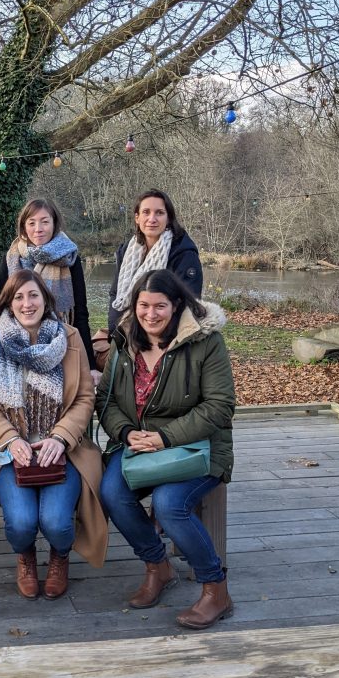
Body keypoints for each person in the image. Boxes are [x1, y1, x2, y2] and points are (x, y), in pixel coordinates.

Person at [96, 269, 235, 630]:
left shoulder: (205, 341)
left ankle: (215, 588)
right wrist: (125, 432)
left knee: (169, 505)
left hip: (195, 448)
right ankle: (158, 566)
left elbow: (220, 405)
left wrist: (166, 437)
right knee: (111, 492)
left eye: (160, 306)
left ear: (176, 305)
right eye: (144, 305)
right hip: (137, 447)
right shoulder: (124, 341)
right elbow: (105, 399)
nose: (151, 314)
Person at [0, 270, 108, 600]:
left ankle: (60, 556)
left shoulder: (70, 337)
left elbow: (86, 397)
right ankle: (26, 556)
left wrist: (60, 437)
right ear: (8, 302)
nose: (26, 303)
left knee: (58, 523)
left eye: (33, 295)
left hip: (63, 449)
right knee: (21, 524)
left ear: (45, 300)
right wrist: (10, 438)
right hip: (9, 451)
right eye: (18, 297)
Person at [0, 197, 97, 381]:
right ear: (23, 226)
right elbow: (2, 311)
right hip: (19, 347)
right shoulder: (11, 259)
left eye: (45, 222)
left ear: (54, 224)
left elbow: (80, 313)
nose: (38, 229)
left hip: (61, 344)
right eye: (32, 222)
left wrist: (90, 365)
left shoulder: (69, 258)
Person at [108, 189, 202, 335]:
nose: (152, 219)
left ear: (169, 218)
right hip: (125, 331)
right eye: (146, 212)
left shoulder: (184, 254)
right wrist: (115, 332)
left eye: (159, 213)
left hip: (166, 335)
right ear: (137, 218)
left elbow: (189, 304)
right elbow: (115, 294)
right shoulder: (127, 250)